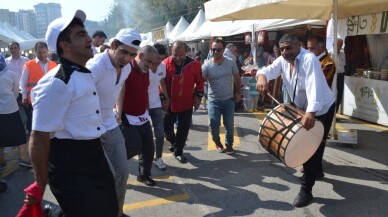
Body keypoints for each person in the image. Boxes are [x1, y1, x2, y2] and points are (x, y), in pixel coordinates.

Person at [26, 10, 118, 217]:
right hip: (69, 163)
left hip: (95, 155)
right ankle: (51, 212)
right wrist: (39, 185)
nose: (88, 39)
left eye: (86, 33)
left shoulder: (84, 72)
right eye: (80, 35)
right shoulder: (56, 83)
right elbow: (38, 138)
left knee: (111, 211)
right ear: (64, 46)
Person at [256, 33, 335, 208]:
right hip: (301, 107)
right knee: (315, 146)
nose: (285, 52)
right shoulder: (283, 60)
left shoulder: (310, 59)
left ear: (299, 45)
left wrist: (311, 112)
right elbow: (267, 71)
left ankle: (306, 190)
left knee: (313, 146)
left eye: (289, 48)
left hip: (321, 108)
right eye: (282, 48)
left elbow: (315, 88)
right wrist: (261, 77)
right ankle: (317, 170)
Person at [86, 28, 141, 217]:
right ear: (114, 45)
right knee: (104, 177)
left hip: (109, 124)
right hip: (90, 130)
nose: (127, 58)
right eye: (124, 52)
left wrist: (119, 110)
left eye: (132, 54)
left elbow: (120, 86)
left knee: (122, 173)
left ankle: (116, 212)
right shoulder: (95, 67)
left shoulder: (126, 68)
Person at [117, 45, 158, 186]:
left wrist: (147, 108)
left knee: (148, 148)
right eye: (148, 61)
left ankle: (144, 175)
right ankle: (112, 164)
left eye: (152, 63)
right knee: (134, 145)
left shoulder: (145, 70)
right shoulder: (127, 68)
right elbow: (120, 91)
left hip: (142, 115)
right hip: (127, 115)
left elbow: (144, 89)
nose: (150, 65)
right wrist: (119, 112)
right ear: (140, 56)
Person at [163, 41, 204, 164]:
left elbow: (200, 83)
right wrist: (163, 98)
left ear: (186, 52)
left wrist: (198, 98)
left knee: (183, 128)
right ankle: (174, 142)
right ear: (171, 52)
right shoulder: (165, 64)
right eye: (175, 54)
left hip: (186, 102)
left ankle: (178, 151)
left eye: (181, 55)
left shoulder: (195, 65)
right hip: (169, 103)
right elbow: (161, 83)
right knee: (167, 129)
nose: (178, 58)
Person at [202, 39, 241, 154]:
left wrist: (238, 93)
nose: (216, 51)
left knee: (229, 124)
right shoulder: (206, 66)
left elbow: (237, 78)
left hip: (228, 99)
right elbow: (200, 80)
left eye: (219, 49)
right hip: (213, 101)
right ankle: (217, 142)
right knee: (214, 124)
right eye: (214, 49)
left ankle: (229, 145)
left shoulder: (230, 62)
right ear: (211, 50)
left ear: (223, 50)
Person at [20, 42, 57, 136]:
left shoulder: (54, 65)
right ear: (35, 52)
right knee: (36, 124)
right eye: (39, 52)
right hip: (35, 100)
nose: (42, 55)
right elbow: (23, 83)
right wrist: (24, 97)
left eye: (44, 52)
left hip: (51, 99)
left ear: (48, 51)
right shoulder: (28, 65)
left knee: (50, 122)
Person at [4, 41, 31, 167]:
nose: (14, 50)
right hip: (11, 93)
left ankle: (30, 139)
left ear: (19, 49)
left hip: (23, 91)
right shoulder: (6, 62)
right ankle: (21, 152)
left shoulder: (25, 60)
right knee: (15, 119)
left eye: (15, 48)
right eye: (11, 48)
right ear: (9, 49)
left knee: (29, 117)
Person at [0, 54, 27, 171]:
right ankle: (23, 159)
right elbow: (16, 92)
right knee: (20, 134)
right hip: (11, 109)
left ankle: (1, 162)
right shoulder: (11, 74)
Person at [148, 43, 169, 170]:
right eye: (157, 58)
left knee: (160, 133)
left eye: (162, 58)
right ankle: (144, 159)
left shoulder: (162, 66)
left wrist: (166, 97)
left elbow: (162, 83)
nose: (159, 61)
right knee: (145, 136)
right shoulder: (144, 66)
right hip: (142, 105)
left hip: (156, 104)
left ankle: (159, 158)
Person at [329, 38, 346, 111]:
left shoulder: (343, 54)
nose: (339, 47)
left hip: (341, 75)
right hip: (333, 75)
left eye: (340, 45)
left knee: (340, 92)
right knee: (332, 92)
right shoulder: (330, 54)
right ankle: (331, 110)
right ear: (333, 45)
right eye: (337, 45)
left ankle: (336, 108)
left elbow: (344, 64)